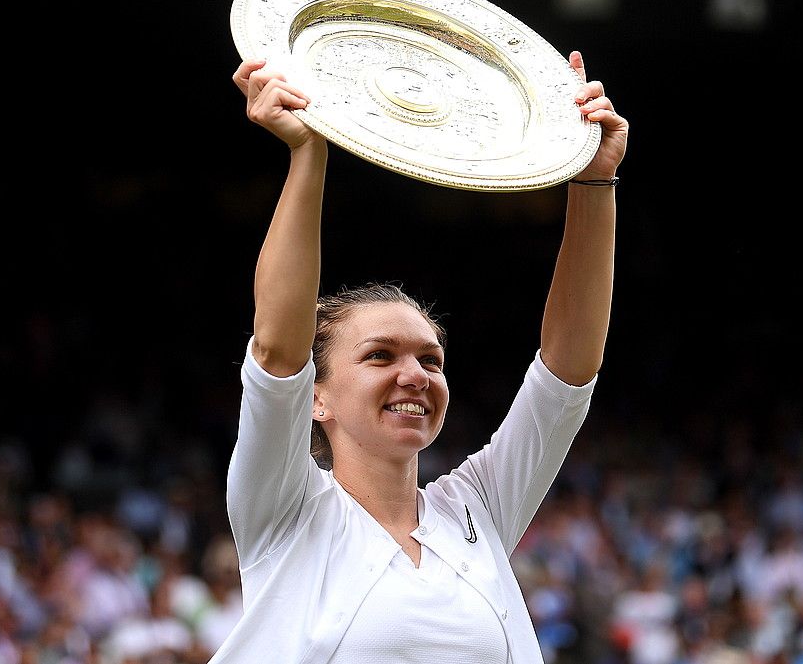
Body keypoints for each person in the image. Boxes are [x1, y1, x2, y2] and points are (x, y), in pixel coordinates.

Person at [209, 48, 628, 663]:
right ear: (315, 397)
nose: (415, 376)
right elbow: (276, 346)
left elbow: (567, 373)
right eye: (380, 356)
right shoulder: (285, 510)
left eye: (431, 361)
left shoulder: (477, 510)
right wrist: (308, 154)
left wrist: (593, 180)